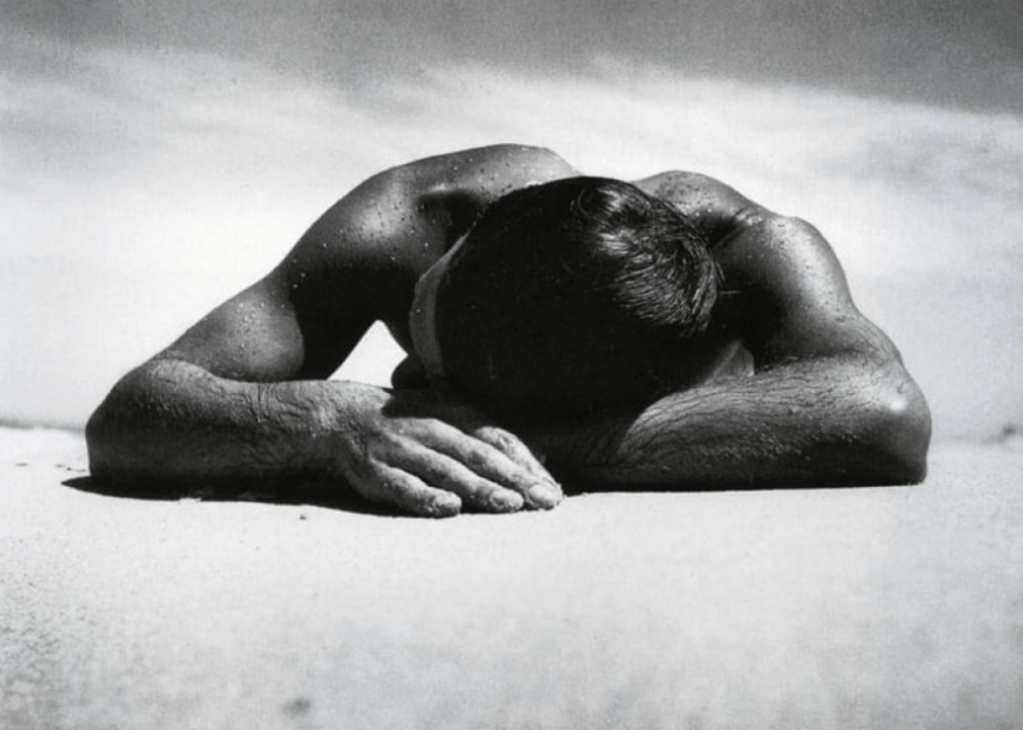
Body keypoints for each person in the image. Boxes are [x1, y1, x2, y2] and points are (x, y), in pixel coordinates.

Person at [86, 144, 931, 517]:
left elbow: (884, 413)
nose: (406, 383)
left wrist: (540, 442)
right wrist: (332, 421)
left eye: (440, 382)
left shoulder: (759, 250)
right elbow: (129, 416)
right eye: (421, 313)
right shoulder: (414, 221)